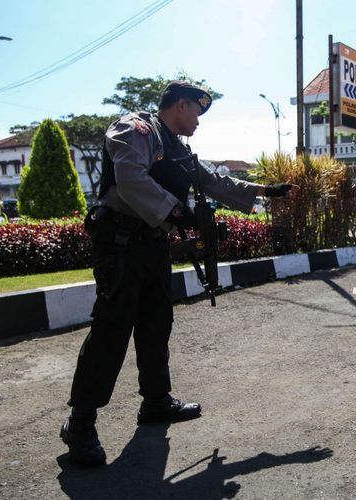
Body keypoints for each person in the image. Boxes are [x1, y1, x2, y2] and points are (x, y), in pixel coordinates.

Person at [61, 80, 299, 466]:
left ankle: (155, 402)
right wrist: (178, 212)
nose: (199, 122)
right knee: (112, 330)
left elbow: (211, 181)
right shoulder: (136, 129)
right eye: (197, 113)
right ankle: (80, 424)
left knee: (157, 324)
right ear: (181, 105)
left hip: (153, 244)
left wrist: (264, 190)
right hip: (120, 243)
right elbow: (131, 179)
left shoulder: (178, 148)